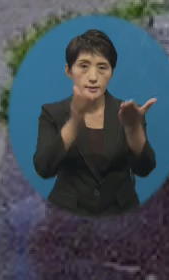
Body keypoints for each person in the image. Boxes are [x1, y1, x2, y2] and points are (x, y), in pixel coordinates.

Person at [33, 29, 157, 217]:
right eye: (84, 66)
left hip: (121, 215)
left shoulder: (127, 112)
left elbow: (144, 168)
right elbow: (44, 168)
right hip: (67, 215)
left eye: (102, 67)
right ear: (69, 71)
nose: (93, 77)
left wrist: (133, 129)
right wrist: (75, 119)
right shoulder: (52, 113)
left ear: (111, 73)